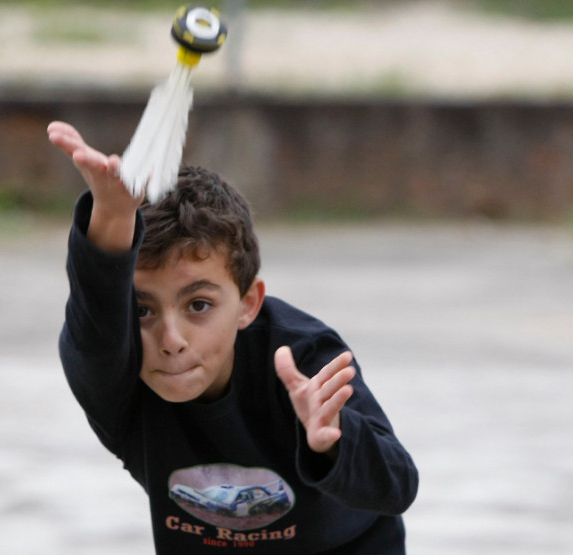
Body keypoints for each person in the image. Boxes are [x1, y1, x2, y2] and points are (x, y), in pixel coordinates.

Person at [48, 121, 418, 554]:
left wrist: (336, 439)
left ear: (247, 303)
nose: (171, 339)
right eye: (142, 310)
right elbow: (96, 321)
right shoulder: (119, 384)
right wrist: (112, 216)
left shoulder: (301, 359)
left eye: (198, 305)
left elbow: (398, 487)